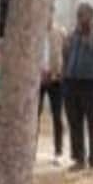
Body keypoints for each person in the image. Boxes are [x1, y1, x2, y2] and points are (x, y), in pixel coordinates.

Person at [63, 2, 93, 172]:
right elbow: (66, 57)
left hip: (91, 85)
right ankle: (79, 159)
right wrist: (65, 78)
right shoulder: (72, 36)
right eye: (78, 15)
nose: (80, 18)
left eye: (83, 15)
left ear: (91, 17)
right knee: (75, 123)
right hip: (72, 84)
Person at [39, 11, 67, 166]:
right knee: (33, 116)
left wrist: (60, 73)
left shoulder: (60, 33)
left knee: (57, 116)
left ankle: (58, 151)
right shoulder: (35, 33)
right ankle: (30, 149)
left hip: (56, 80)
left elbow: (66, 55)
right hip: (37, 80)